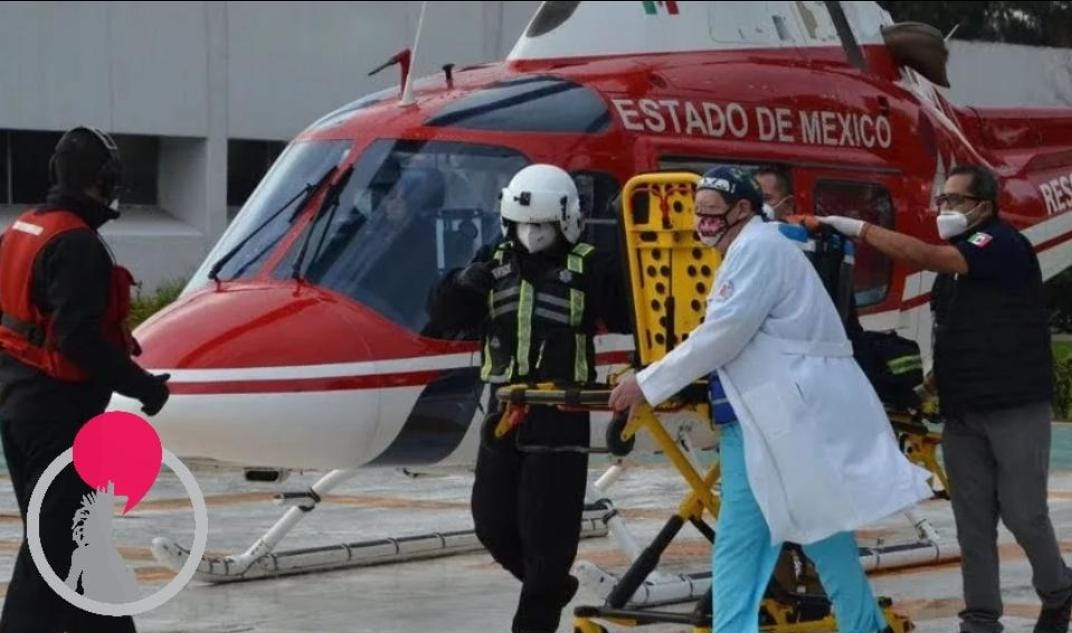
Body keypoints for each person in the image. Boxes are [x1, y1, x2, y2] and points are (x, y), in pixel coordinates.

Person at [608, 165, 932, 633]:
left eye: (713, 213)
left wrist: (647, 382)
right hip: (774, 413)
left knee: (751, 538)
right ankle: (863, 625)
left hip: (774, 416)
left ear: (743, 208)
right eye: (698, 213)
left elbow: (722, 335)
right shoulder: (755, 247)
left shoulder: (757, 250)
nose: (703, 223)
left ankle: (749, 627)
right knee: (818, 527)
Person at [818, 164, 1072, 633]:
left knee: (1023, 514)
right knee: (972, 521)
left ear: (984, 206)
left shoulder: (999, 245)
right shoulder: (951, 273)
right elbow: (953, 338)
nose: (947, 209)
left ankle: (1058, 591)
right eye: (944, 201)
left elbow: (932, 256)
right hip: (962, 411)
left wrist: (858, 228)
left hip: (1013, 406)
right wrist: (924, 390)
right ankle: (980, 619)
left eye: (956, 200)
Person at [426, 163, 629, 633]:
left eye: (541, 225)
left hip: (559, 415)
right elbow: (439, 317)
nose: (531, 234)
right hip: (504, 411)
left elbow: (632, 309)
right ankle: (552, 586)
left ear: (565, 222)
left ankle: (538, 609)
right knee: (491, 524)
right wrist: (459, 287)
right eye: (523, 224)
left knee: (547, 539)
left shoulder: (591, 266)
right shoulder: (491, 261)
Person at [0, 126, 170, 633]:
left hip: (18, 406)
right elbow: (76, 339)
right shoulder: (77, 244)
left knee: (77, 537)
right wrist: (144, 386)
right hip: (57, 416)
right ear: (104, 180)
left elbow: (37, 320)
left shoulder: (24, 229)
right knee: (53, 548)